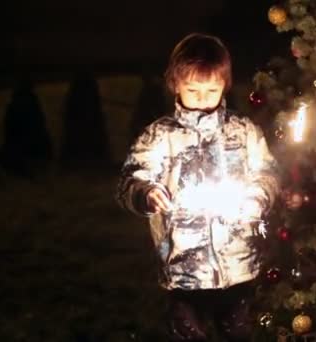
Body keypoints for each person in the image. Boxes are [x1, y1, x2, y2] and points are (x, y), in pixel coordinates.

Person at [116, 33, 280, 341]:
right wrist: (147, 193)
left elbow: (267, 172)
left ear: (225, 85)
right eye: (193, 89)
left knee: (239, 332)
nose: (203, 97)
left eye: (211, 89)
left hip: (239, 265)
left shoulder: (243, 132)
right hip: (183, 271)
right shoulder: (160, 137)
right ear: (175, 84)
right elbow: (131, 179)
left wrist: (258, 197)